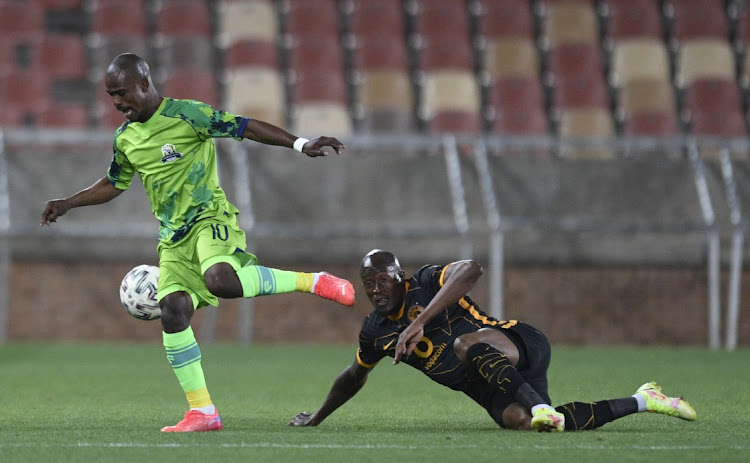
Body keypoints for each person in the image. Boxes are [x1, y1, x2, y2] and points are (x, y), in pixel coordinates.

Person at [40, 53, 356, 433]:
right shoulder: (125, 139)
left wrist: (300, 143)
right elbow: (113, 183)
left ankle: (313, 281)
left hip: (210, 219)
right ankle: (202, 412)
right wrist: (68, 203)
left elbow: (246, 127)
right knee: (172, 309)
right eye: (110, 96)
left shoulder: (188, 114)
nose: (117, 103)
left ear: (144, 84)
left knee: (221, 281)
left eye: (121, 93)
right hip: (172, 240)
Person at [288, 249, 697, 431]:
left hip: (518, 345)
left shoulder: (427, 281)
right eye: (368, 283)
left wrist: (420, 323)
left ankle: (538, 406)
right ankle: (647, 399)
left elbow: (473, 269)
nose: (376, 289)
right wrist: (318, 417)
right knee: (531, 424)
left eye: (384, 280)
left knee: (465, 345)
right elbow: (354, 375)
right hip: (491, 386)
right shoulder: (375, 331)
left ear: (401, 277)